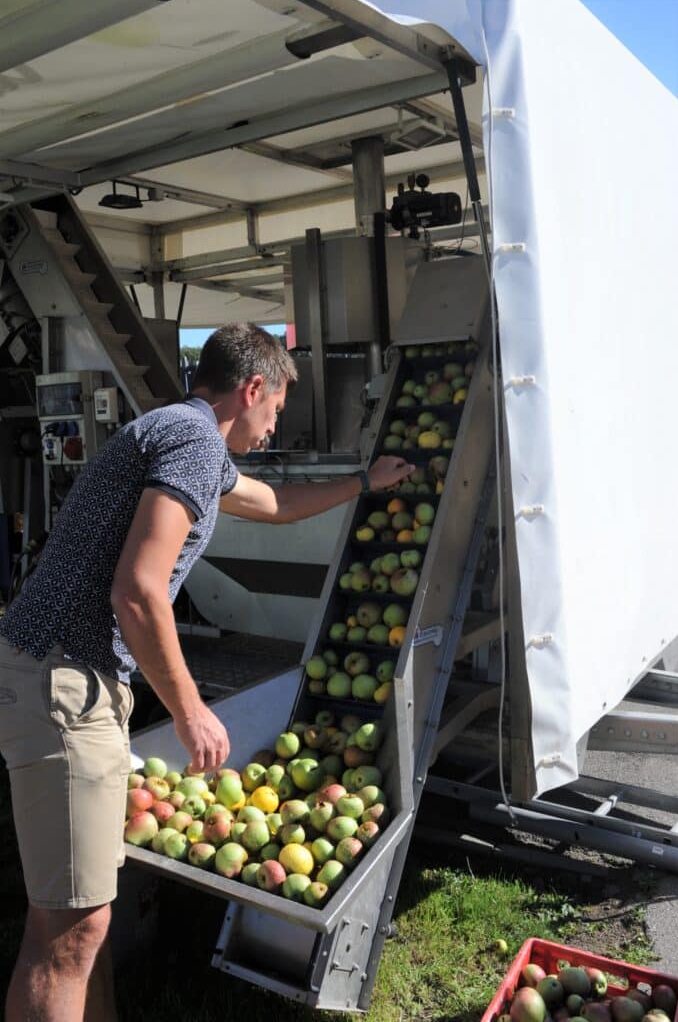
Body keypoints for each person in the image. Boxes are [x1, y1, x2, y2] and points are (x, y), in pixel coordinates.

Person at [0, 322, 414, 1021]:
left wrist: (364, 482)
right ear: (252, 388)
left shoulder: (181, 435)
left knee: (87, 922)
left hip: (56, 674)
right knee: (67, 933)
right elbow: (139, 588)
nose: (274, 423)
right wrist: (189, 708)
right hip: (66, 684)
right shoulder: (193, 443)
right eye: (276, 407)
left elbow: (275, 506)